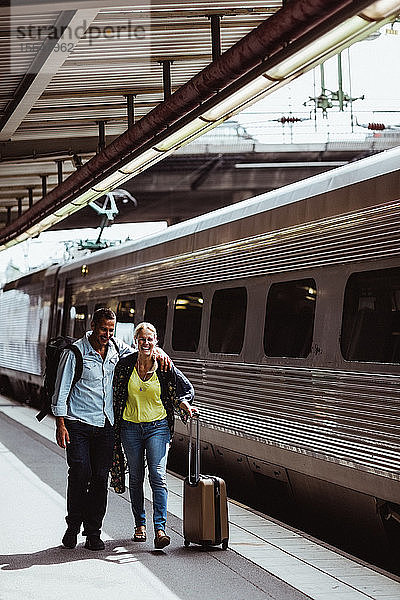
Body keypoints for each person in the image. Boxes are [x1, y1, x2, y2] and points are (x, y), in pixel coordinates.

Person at [52, 308, 171, 551]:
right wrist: (60, 424)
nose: (107, 334)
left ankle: (93, 533)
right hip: (78, 424)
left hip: (106, 426)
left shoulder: (117, 349)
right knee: (80, 474)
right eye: (103, 329)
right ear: (93, 325)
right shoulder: (76, 352)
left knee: (99, 479)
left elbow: (142, 352)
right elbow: (61, 391)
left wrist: (157, 351)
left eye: (111, 330)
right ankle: (73, 525)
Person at [111, 322, 198, 549]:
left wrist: (184, 403)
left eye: (150, 339)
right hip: (130, 428)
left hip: (157, 427)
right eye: (142, 339)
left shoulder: (165, 365)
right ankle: (140, 524)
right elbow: (114, 392)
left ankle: (160, 529)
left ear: (156, 342)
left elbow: (186, 388)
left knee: (158, 476)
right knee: (136, 477)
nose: (146, 343)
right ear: (135, 342)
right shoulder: (125, 365)